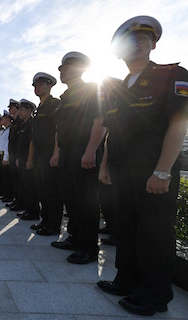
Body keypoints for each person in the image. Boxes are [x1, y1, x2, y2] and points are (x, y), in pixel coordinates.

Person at [97, 16, 188, 316]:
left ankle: (154, 296)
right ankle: (126, 280)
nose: (135, 46)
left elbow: (179, 123)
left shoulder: (171, 74)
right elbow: (112, 131)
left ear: (154, 44)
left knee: (154, 233)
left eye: (142, 39)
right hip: (122, 171)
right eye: (129, 42)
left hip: (153, 170)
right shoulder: (118, 88)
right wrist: (105, 166)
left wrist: (163, 170)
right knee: (127, 229)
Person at [50, 51, 106, 264]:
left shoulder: (91, 90)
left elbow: (100, 119)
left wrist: (91, 149)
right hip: (67, 153)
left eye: (65, 68)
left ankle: (89, 247)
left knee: (87, 202)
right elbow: (59, 129)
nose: (62, 72)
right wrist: (57, 152)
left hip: (84, 152)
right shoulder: (65, 98)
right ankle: (75, 238)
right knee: (71, 199)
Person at [30, 73, 63, 235]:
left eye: (41, 84)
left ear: (50, 86)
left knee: (52, 190)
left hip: (49, 152)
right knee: (42, 189)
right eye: (35, 85)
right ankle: (45, 220)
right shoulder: (39, 108)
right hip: (39, 153)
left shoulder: (54, 104)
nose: (37, 87)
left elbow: (58, 129)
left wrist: (56, 152)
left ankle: (53, 224)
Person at [16, 99, 40, 220]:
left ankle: (33, 212)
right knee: (25, 186)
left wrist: (30, 160)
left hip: (28, 160)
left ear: (29, 110)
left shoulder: (31, 123)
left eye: (22, 110)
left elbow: (32, 143)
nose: (19, 112)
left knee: (31, 187)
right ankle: (28, 209)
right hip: (22, 159)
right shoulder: (23, 125)